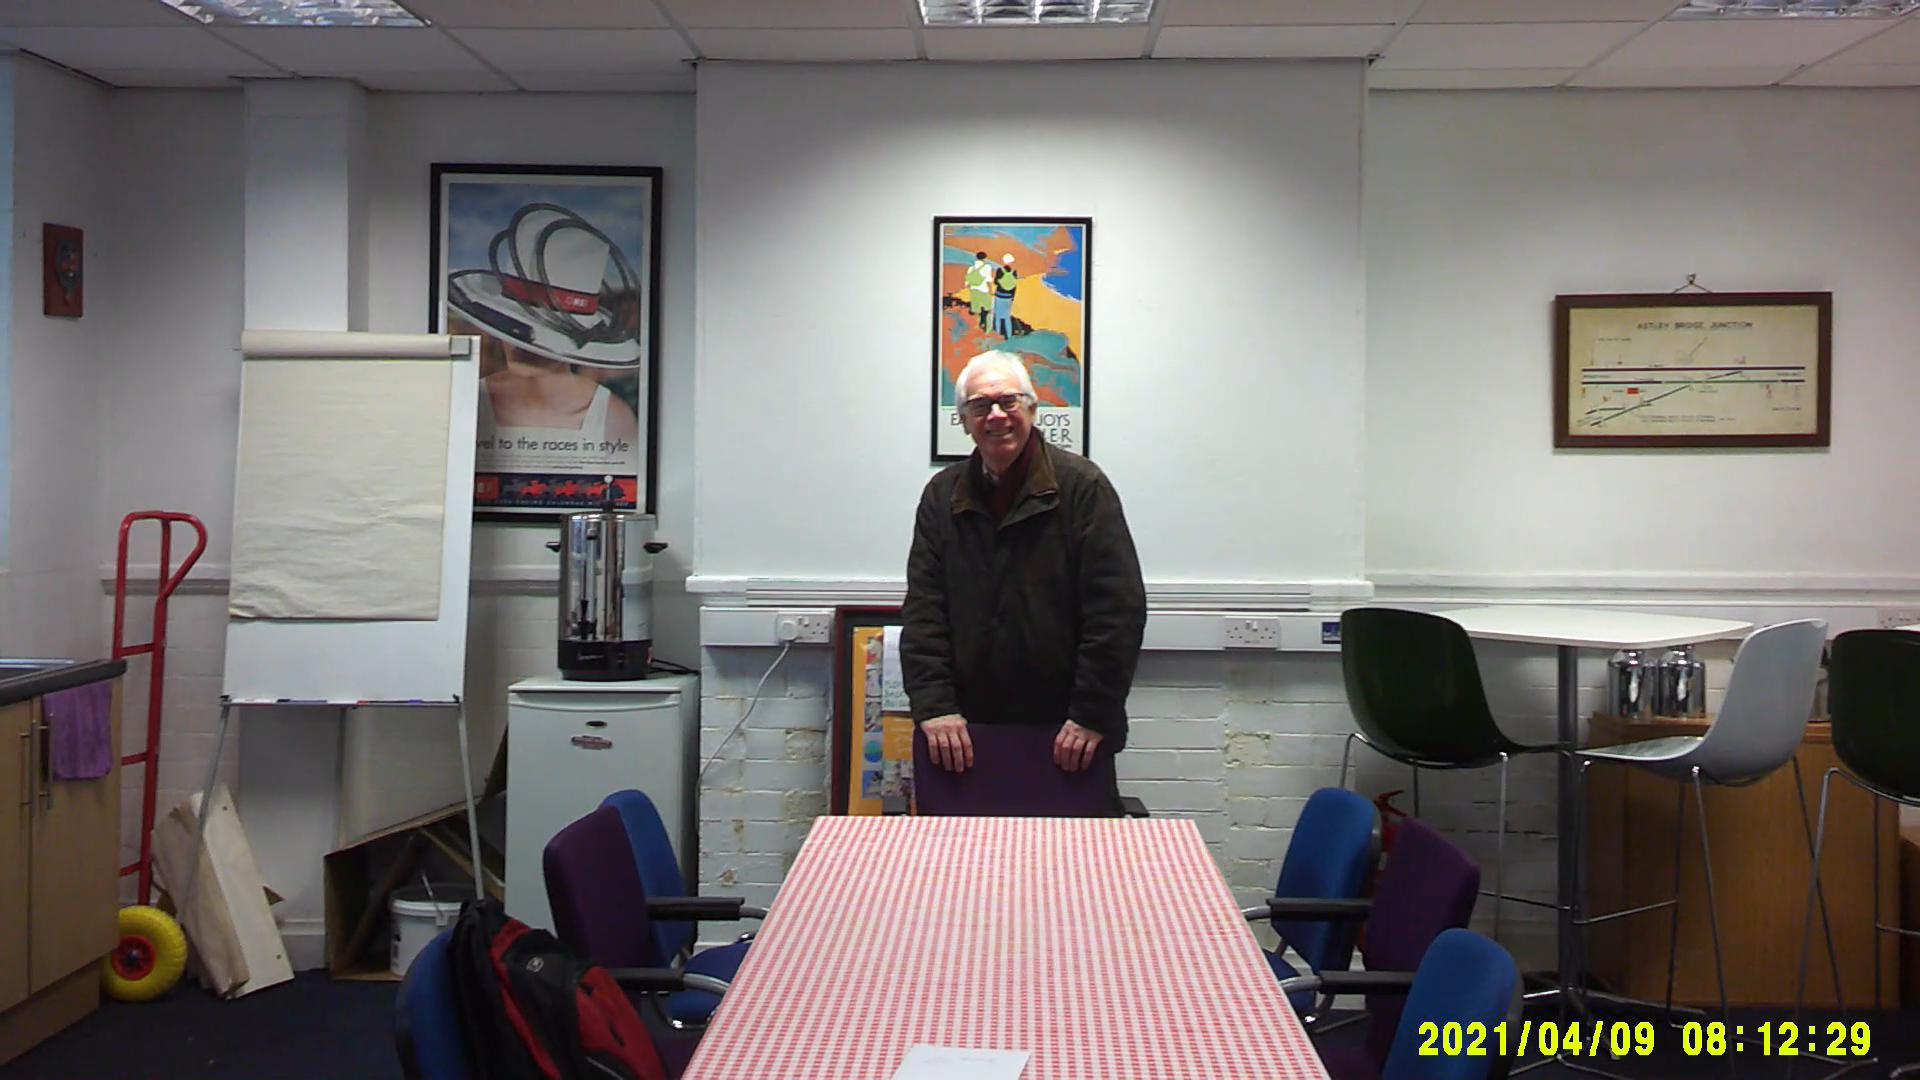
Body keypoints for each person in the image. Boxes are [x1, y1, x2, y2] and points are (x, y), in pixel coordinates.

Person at [900, 351, 1147, 788]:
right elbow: (924, 611)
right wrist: (934, 706)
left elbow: (1116, 613)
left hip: (1068, 734)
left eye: (1008, 401)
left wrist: (1091, 713)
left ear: (1032, 409)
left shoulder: (1083, 488)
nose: (996, 415)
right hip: (962, 734)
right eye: (980, 405)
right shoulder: (941, 496)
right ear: (964, 421)